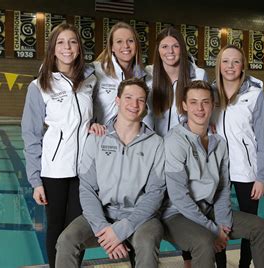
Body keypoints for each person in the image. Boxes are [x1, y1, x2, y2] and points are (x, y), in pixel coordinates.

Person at [162, 80, 264, 268]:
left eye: (205, 102)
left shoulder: (219, 143)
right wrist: (213, 230)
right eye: (193, 102)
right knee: (204, 242)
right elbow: (178, 196)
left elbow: (223, 189)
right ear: (184, 105)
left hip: (209, 211)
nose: (200, 108)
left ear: (213, 104)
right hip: (177, 215)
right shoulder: (174, 141)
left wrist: (223, 223)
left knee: (261, 227)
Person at [55, 78, 166, 268]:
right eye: (129, 97)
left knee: (146, 243)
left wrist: (123, 229)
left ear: (145, 104)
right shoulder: (97, 138)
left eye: (140, 100)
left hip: (141, 218)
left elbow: (155, 194)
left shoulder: (156, 144)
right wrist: (103, 228)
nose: (134, 104)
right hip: (102, 215)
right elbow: (87, 188)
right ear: (117, 100)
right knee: (66, 240)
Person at [21, 23, 96, 267]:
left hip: (84, 170)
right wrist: (35, 180)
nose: (67, 47)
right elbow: (31, 134)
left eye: (72, 42)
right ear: (53, 49)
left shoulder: (89, 81)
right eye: (61, 42)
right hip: (54, 171)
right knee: (55, 226)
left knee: (78, 229)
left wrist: (95, 125)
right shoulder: (39, 85)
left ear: (79, 48)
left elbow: (91, 118)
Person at [213, 45, 264, 268]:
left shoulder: (254, 94)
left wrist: (262, 177)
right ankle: (220, 265)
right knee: (215, 221)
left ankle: (243, 265)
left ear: (243, 66)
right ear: (219, 65)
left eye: (236, 62)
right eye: (225, 61)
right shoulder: (211, 93)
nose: (230, 66)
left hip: (247, 172)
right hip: (216, 171)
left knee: (252, 224)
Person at [143, 26, 207, 136]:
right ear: (158, 50)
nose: (170, 51)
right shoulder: (147, 75)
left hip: (184, 144)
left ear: (182, 49)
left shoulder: (199, 75)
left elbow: (206, 109)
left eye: (175, 46)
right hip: (154, 143)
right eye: (164, 47)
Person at [93, 22, 147, 125]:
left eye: (130, 41)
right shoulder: (96, 71)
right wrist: (90, 124)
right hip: (102, 137)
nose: (125, 46)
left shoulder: (145, 77)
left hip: (132, 137)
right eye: (119, 41)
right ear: (112, 47)